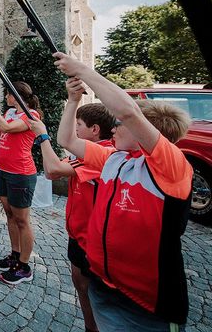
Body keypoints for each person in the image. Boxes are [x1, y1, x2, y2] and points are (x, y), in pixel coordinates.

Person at [53, 53, 192, 330]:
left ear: (144, 131)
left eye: (121, 124)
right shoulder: (114, 158)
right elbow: (66, 140)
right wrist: (72, 101)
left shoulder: (170, 167)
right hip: (103, 285)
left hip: (144, 305)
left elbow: (128, 111)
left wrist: (82, 69)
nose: (114, 127)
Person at [30, 96, 115, 332]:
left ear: (95, 130)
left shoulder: (102, 154)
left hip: (94, 241)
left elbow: (53, 170)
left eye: (78, 125)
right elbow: (53, 169)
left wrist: (43, 136)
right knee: (80, 283)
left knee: (96, 295)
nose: (74, 129)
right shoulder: (85, 152)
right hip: (78, 234)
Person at [0, 81, 41, 285]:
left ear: (17, 95)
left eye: (8, 95)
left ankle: (24, 265)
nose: (5, 98)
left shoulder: (31, 116)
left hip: (21, 173)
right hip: (3, 171)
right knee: (10, 215)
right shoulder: (11, 113)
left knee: (22, 220)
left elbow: (6, 128)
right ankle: (15, 254)